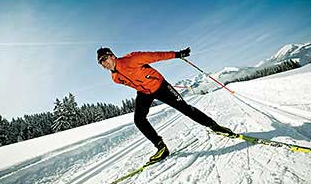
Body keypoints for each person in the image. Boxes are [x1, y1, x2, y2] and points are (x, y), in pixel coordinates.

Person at [97, 47, 236, 163]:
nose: (104, 63)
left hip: (160, 86)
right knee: (138, 119)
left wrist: (177, 54)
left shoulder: (132, 59)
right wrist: (144, 90)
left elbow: (156, 56)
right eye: (100, 62)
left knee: (185, 108)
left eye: (105, 58)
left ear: (112, 56)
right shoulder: (115, 78)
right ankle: (161, 147)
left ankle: (215, 126)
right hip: (144, 93)